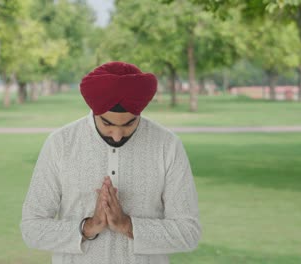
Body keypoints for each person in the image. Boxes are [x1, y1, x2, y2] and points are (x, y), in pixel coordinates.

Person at [20, 61, 201, 264]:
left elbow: (189, 232)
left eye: (129, 123)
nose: (117, 135)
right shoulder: (61, 143)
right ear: (95, 112)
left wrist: (127, 226)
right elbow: (32, 228)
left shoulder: (166, 145)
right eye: (107, 123)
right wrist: (88, 226)